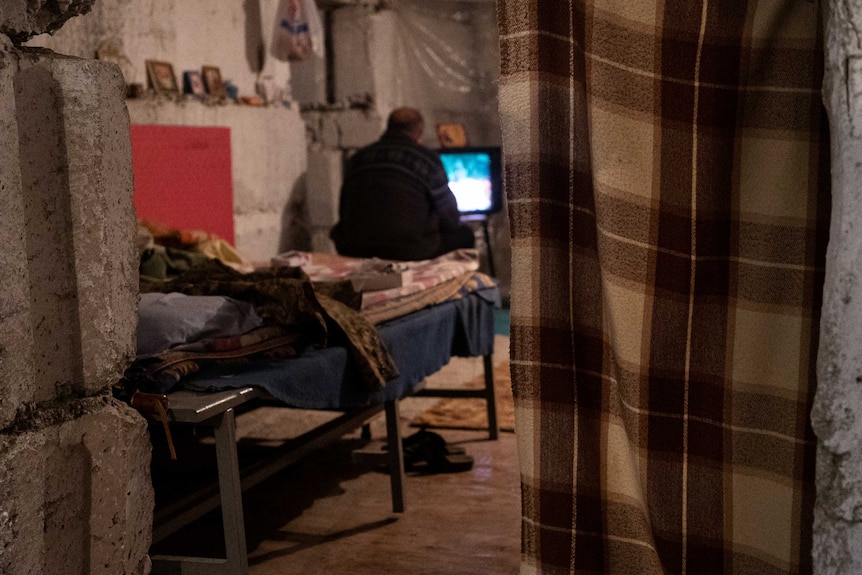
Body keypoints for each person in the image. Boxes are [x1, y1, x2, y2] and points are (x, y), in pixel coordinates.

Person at [330, 107, 475, 261]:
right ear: (419, 132)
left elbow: (343, 208)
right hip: (407, 251)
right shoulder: (427, 160)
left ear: (389, 127)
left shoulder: (358, 158)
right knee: (464, 235)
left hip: (353, 248)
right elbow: (451, 219)